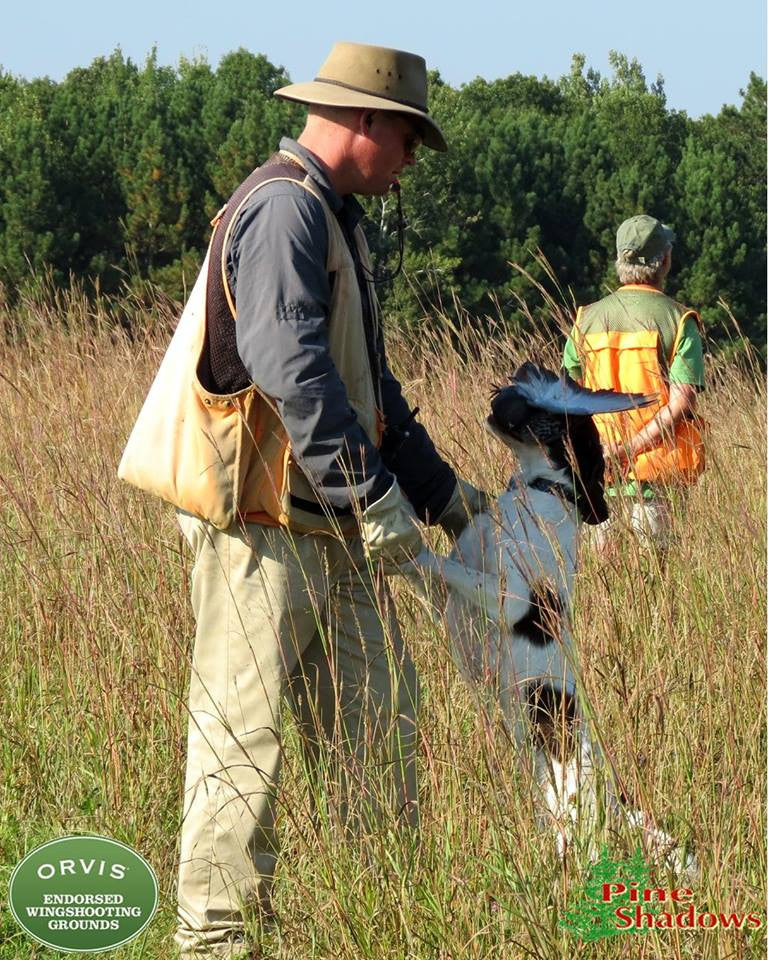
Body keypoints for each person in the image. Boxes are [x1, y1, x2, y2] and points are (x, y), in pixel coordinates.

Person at [124, 42, 486, 958]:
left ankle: (375, 931)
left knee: (382, 745)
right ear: (363, 121)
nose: (411, 162)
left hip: (333, 531)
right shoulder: (286, 208)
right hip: (264, 534)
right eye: (408, 138)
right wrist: (377, 500)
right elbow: (293, 370)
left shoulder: (334, 219)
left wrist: (450, 500)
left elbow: (373, 391)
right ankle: (216, 946)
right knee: (242, 758)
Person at [562, 214, 706, 548]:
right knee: (656, 585)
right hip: (656, 476)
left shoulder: (587, 318)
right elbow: (682, 402)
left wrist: (600, 451)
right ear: (665, 260)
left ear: (619, 260)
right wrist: (628, 449)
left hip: (598, 476)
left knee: (606, 588)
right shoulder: (679, 320)